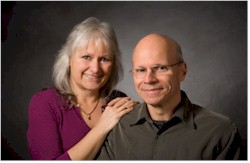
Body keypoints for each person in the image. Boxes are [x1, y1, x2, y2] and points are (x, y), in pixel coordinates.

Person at [97, 34, 242, 160]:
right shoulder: (118, 126)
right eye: (141, 70)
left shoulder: (220, 131)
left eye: (160, 68)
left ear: (182, 71)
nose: (148, 79)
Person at [27, 17, 138, 160]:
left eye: (104, 59)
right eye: (86, 57)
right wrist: (102, 127)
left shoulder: (118, 100)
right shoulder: (44, 103)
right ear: (68, 60)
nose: (95, 68)